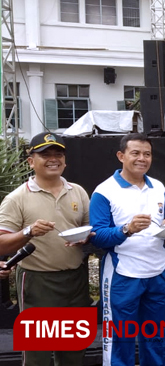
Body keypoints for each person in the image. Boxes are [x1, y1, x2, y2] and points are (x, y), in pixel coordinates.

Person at [0, 132, 92, 366]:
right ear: (31, 161)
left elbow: (90, 229)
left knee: (73, 351)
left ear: (65, 160)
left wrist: (86, 237)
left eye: (58, 154)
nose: (53, 159)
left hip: (74, 280)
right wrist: (28, 232)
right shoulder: (17, 198)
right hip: (37, 282)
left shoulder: (78, 191)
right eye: (45, 154)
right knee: (37, 354)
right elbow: (2, 242)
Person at [90, 133, 165, 366]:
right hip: (123, 273)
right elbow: (97, 236)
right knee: (121, 339)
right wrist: (127, 229)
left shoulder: (157, 187)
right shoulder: (104, 191)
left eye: (147, 154)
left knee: (158, 338)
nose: (142, 159)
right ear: (121, 156)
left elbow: (164, 219)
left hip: (158, 271)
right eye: (135, 153)